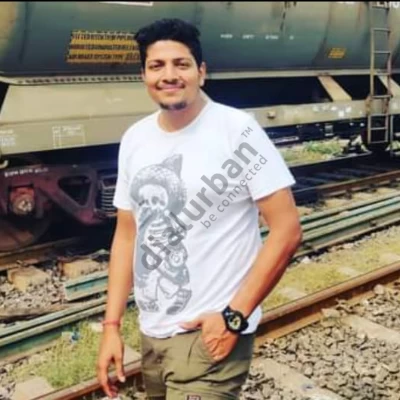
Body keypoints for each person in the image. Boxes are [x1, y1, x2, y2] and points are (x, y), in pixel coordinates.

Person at [96, 17, 302, 400]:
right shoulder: (135, 138)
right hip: (152, 335)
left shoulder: (236, 131)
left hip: (209, 335)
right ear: (144, 75)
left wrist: (233, 317)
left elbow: (287, 229)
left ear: (201, 72)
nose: (169, 75)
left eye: (182, 64)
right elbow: (127, 235)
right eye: (157, 66)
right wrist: (112, 326)